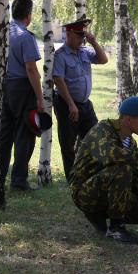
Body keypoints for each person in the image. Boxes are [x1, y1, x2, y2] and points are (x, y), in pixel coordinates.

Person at [70, 96, 138, 243]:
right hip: (85, 193)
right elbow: (109, 156)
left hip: (107, 192)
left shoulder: (130, 143)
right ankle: (116, 228)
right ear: (128, 120)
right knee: (122, 168)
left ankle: (101, 216)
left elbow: (131, 185)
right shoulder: (102, 130)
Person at [53, 18, 108, 182]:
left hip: (85, 104)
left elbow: (104, 59)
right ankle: (72, 180)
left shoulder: (84, 51)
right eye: (79, 36)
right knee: (68, 144)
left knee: (96, 138)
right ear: (69, 34)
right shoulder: (60, 55)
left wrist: (94, 42)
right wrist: (70, 104)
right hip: (67, 105)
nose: (81, 39)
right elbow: (58, 79)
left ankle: (92, 173)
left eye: (83, 36)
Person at [0, 0, 45, 191]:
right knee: (24, 134)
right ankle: (18, 181)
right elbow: (31, 69)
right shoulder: (25, 36)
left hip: (3, 87)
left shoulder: (2, 32)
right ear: (28, 16)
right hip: (21, 89)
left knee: (4, 135)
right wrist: (40, 98)